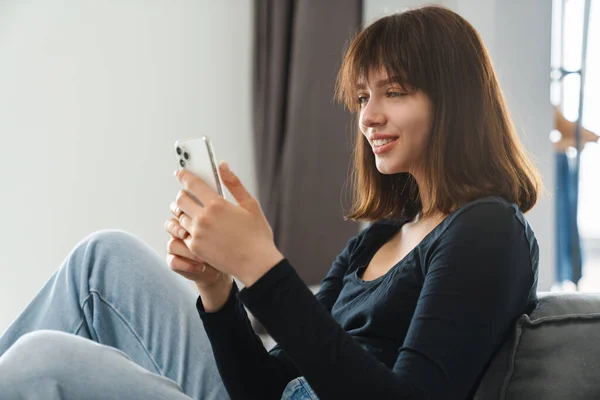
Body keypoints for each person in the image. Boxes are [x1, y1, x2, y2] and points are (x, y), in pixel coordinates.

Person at [0, 5, 542, 400]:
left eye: (393, 92)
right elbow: (264, 387)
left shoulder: (487, 229)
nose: (367, 117)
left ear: (455, 103)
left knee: (41, 361)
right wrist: (218, 289)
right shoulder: (373, 242)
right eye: (361, 97)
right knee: (104, 258)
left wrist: (263, 267)